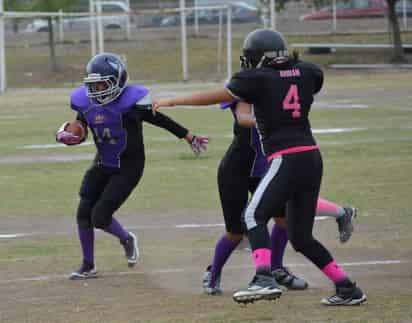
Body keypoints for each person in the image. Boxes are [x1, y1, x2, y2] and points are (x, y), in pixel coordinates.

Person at [153, 29, 366, 306]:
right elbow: (301, 82)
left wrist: (172, 101)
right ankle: (347, 288)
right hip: (311, 156)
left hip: (285, 157)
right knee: (300, 238)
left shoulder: (255, 78)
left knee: (253, 216)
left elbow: (216, 95)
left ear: (255, 57)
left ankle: (264, 278)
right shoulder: (310, 71)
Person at [56, 52, 208, 280]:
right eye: (93, 85)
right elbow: (82, 125)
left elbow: (161, 120)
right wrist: (72, 135)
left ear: (118, 81)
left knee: (100, 216)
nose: (96, 91)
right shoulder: (87, 102)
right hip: (103, 162)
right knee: (83, 213)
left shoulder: (132, 104)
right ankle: (88, 265)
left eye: (101, 85)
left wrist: (189, 136)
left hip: (129, 166)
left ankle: (127, 239)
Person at [202, 99, 357, 296]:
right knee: (236, 233)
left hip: (268, 168)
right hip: (236, 171)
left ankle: (274, 269)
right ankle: (213, 275)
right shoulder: (244, 85)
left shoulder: (273, 85)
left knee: (284, 219)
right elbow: (230, 104)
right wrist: (172, 102)